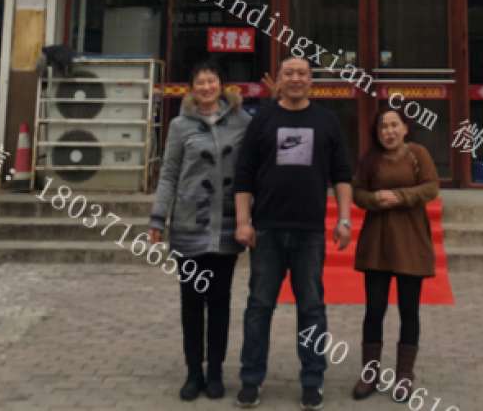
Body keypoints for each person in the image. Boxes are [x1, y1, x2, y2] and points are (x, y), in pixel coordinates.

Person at [233, 55, 353, 411]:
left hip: (310, 231)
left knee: (312, 308)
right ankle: (251, 379)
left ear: (311, 80)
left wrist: (344, 220)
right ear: (279, 79)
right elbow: (244, 175)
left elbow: (342, 176)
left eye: (302, 73)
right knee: (259, 307)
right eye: (289, 73)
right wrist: (243, 221)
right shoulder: (262, 120)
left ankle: (312, 380)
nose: (296, 78)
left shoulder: (327, 121)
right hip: (267, 229)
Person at [149, 61, 252, 401]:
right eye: (200, 82)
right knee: (191, 303)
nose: (207, 87)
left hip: (226, 227)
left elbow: (255, 161)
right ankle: (194, 372)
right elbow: (169, 174)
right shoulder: (180, 125)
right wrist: (157, 218)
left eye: (212, 81)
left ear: (221, 85)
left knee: (220, 302)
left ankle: (216, 372)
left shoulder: (241, 120)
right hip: (189, 226)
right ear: (192, 89)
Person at [351, 106, 439, 403]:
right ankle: (370, 373)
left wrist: (400, 197)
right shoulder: (370, 159)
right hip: (377, 243)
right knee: (374, 310)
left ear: (405, 128)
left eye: (393, 125)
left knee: (408, 310)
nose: (388, 131)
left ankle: (404, 375)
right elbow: (357, 192)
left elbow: (431, 187)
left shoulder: (418, 154)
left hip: (410, 241)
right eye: (383, 127)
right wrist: (374, 199)